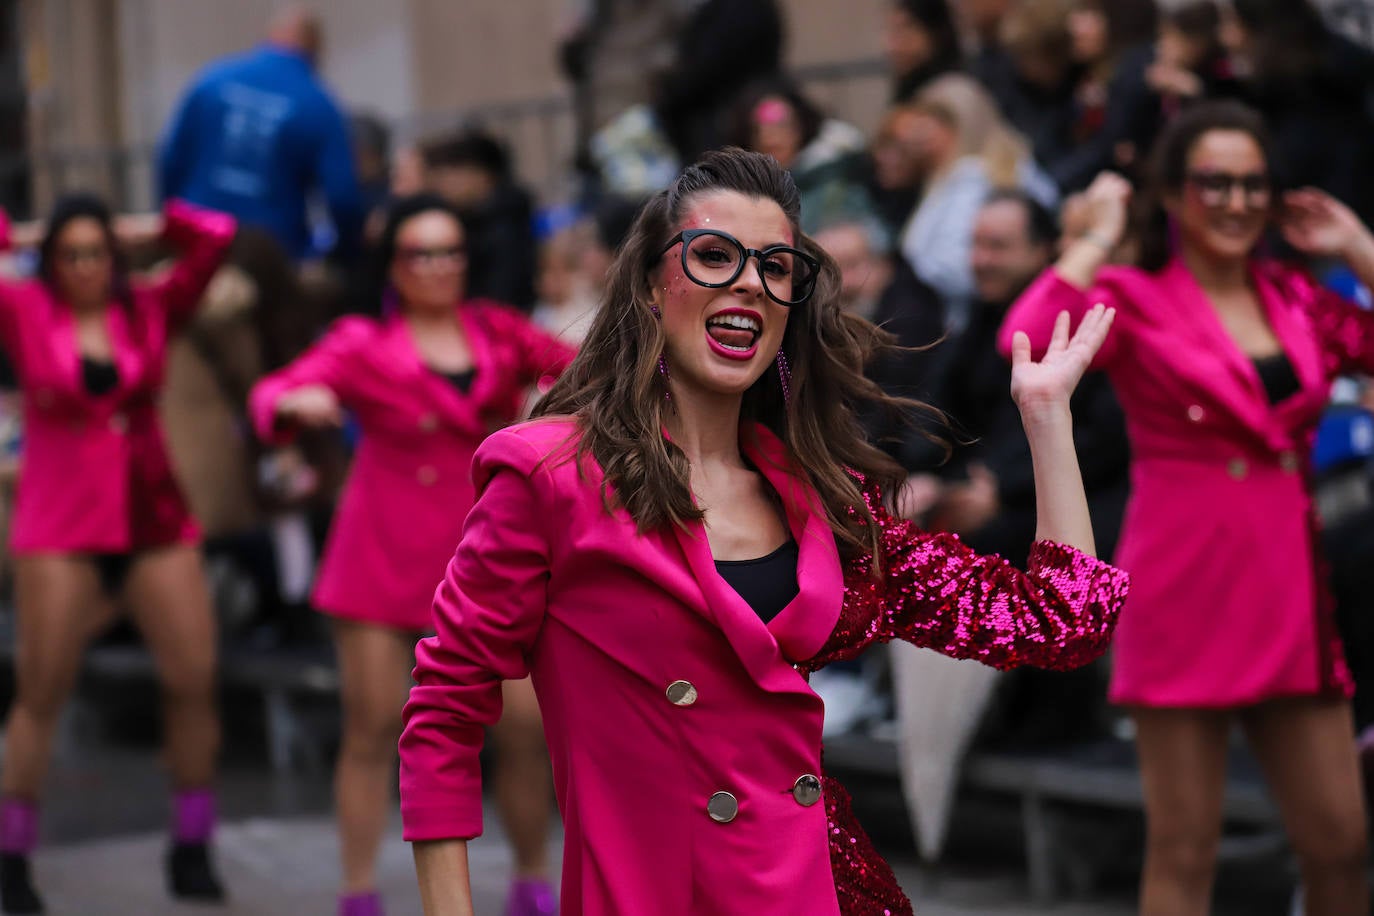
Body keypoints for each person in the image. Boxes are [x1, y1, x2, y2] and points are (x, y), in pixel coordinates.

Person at [397, 148, 1129, 915]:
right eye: (714, 256)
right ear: (652, 282)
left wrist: (1048, 420)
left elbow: (1064, 620)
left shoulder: (828, 505)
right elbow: (444, 714)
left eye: (777, 267)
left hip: (820, 891)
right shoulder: (549, 475)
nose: (750, 280)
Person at [999, 100, 1374, 915]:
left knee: (1343, 843)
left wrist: (1357, 248)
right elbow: (1024, 337)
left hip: (1287, 587)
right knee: (1183, 847)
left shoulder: (1295, 295)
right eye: (1214, 182)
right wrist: (1095, 234)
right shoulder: (1132, 296)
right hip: (1185, 586)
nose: (1236, 201)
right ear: (1172, 194)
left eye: (1252, 183)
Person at [249, 195, 575, 916]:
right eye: (420, 253)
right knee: (373, 727)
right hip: (382, 555)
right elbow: (272, 392)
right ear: (393, 265)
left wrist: (554, 402)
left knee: (525, 729)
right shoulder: (362, 342)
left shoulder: (495, 329)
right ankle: (359, 892)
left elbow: (585, 366)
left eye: (450, 250)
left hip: (488, 553)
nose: (437, 266)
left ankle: (530, 882)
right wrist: (294, 405)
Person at [0, 195, 236, 912]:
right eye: (69, 255)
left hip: (152, 512)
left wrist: (150, 227)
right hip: (61, 522)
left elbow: (215, 236)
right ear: (50, 262)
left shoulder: (150, 306)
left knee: (194, 677)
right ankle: (12, 854)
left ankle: (191, 844)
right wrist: (32, 230)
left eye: (96, 253)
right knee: (41, 689)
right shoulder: (25, 310)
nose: (84, 268)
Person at [157, 5, 363, 261]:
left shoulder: (211, 79)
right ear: (315, 48)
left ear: (270, 36)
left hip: (196, 237)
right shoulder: (318, 103)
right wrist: (344, 255)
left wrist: (175, 225)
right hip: (268, 252)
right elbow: (342, 197)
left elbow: (170, 158)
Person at [895, 73, 1058, 332]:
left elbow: (953, 265)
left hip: (987, 323)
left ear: (960, 125)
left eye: (933, 121)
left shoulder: (973, 177)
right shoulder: (1003, 166)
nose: (919, 133)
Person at [422, 130, 539, 312]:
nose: (444, 184)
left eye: (454, 172)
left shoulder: (504, 228)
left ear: (482, 175)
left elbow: (500, 300)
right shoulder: (466, 220)